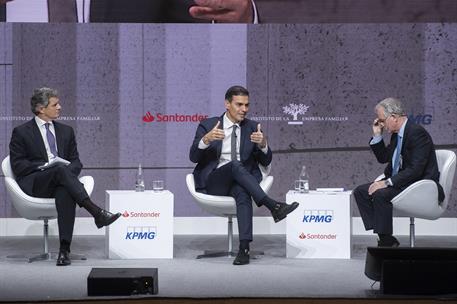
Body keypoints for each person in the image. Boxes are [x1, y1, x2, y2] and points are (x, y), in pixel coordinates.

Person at [9, 87, 121, 266]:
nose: (60, 107)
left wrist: (63, 171)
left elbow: (76, 162)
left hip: (60, 181)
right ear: (41, 108)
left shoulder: (66, 131)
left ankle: (64, 251)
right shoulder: (21, 132)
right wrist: (46, 167)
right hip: (36, 183)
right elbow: (18, 165)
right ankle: (96, 212)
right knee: (60, 171)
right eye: (55, 104)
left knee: (65, 189)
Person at [189, 85, 299, 265]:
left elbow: (265, 161)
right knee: (234, 165)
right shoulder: (208, 125)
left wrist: (263, 144)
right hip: (215, 181)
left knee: (242, 193)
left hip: (241, 180)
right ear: (227, 104)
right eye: (239, 105)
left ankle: (244, 248)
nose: (244, 109)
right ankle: (272, 205)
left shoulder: (253, 127)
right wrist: (206, 140)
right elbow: (193, 157)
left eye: (247, 105)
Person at [353, 97, 444, 247]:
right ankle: (384, 236)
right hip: (402, 182)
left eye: (382, 120)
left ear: (394, 117)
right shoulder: (397, 134)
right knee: (361, 192)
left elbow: (416, 170)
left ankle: (386, 240)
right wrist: (377, 135)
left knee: (381, 193)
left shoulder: (416, 133)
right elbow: (384, 158)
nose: (380, 124)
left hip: (418, 185)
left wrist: (386, 183)